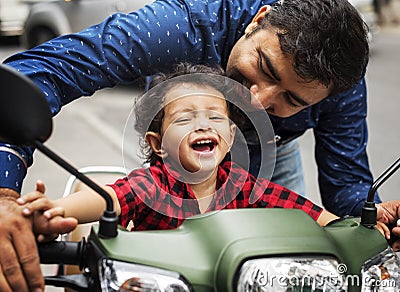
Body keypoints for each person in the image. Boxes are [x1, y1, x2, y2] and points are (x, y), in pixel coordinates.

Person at [0, 0, 385, 289]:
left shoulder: (338, 83)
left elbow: (347, 200)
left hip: (271, 164)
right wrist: (9, 200)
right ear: (258, 20)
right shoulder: (181, 26)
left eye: (293, 101)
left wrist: (379, 222)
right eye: (265, 69)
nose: (256, 103)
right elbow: (41, 72)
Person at [18, 63, 396, 239]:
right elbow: (110, 199)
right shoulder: (153, 185)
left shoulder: (248, 187)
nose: (202, 125)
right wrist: (55, 211)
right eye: (183, 120)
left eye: (215, 118)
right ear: (158, 146)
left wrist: (362, 229)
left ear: (230, 137)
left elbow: (311, 215)